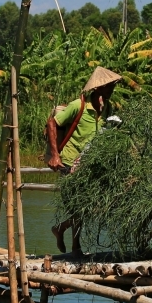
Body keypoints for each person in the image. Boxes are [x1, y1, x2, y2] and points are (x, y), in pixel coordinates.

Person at [46, 67, 122, 256]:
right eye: (109, 85)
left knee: (88, 205)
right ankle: (75, 247)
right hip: (69, 162)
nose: (112, 88)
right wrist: (55, 155)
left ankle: (62, 229)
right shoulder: (78, 106)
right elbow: (52, 123)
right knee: (79, 206)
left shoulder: (108, 109)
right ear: (99, 88)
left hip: (89, 164)